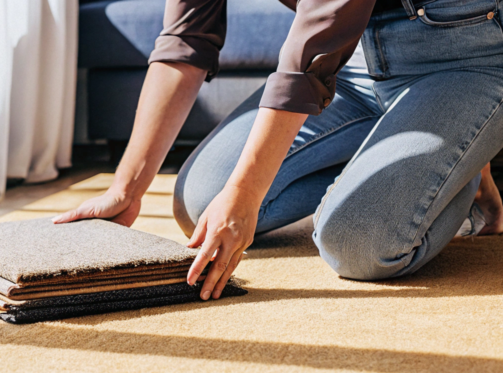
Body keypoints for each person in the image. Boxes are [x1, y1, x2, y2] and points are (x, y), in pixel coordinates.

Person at [54, 0, 503, 301]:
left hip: (463, 53)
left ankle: (459, 167)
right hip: (351, 65)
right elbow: (185, 39)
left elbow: (310, 50)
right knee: (203, 203)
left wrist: (245, 192)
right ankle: (411, 144)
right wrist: (126, 188)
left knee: (356, 244)